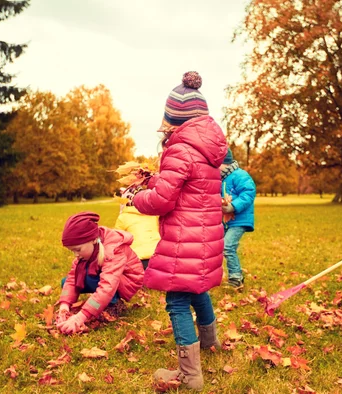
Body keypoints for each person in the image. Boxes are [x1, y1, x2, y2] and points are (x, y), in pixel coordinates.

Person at [131, 71, 227, 391]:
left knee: (176, 301)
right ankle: (210, 342)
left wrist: (137, 198)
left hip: (186, 236)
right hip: (204, 235)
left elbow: (162, 201)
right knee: (198, 288)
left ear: (175, 118)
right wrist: (154, 180)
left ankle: (190, 375)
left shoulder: (180, 148)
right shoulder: (207, 149)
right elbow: (187, 186)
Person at [55, 212, 144, 335]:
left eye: (78, 250)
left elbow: (108, 285)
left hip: (125, 281)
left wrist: (81, 317)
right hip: (107, 277)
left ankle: (114, 304)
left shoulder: (113, 250)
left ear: (92, 240)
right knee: (67, 281)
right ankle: (101, 302)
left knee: (93, 279)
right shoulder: (88, 250)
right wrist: (64, 306)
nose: (76, 254)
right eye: (72, 251)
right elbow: (72, 278)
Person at [220, 148, 256, 288]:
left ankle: (236, 278)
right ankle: (222, 274)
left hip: (239, 220)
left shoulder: (239, 175)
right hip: (225, 221)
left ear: (225, 163)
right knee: (219, 247)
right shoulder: (219, 179)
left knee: (228, 246)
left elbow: (248, 193)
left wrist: (233, 206)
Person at [114, 164, 161, 270]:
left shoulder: (123, 218)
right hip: (158, 258)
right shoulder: (154, 215)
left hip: (137, 261)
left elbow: (116, 242)